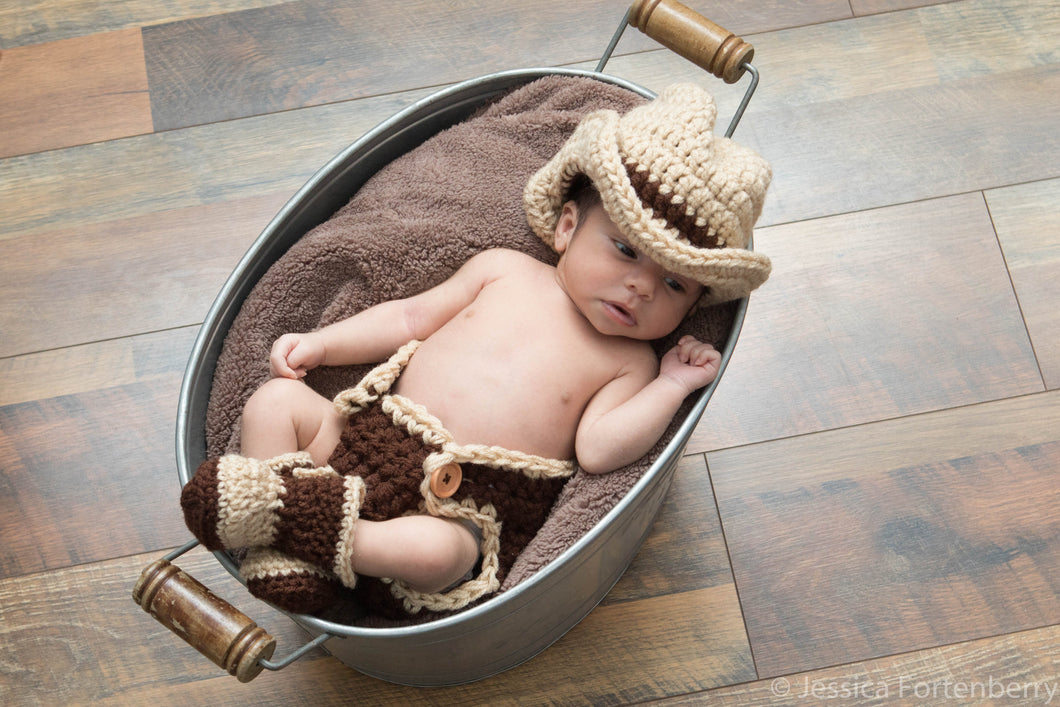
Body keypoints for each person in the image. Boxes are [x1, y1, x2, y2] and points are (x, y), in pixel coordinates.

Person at [180, 83, 772, 617]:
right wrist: (323, 344)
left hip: (461, 504)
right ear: (567, 227)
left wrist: (671, 384)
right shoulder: (503, 269)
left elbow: (597, 450)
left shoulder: (632, 363)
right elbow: (410, 317)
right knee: (273, 401)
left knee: (440, 554)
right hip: (364, 439)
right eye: (624, 251)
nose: (641, 285)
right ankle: (273, 521)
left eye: (673, 284)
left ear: (691, 307)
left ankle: (298, 526)